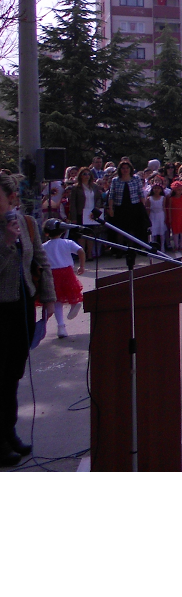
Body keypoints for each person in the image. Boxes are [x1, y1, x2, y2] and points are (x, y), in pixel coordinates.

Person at [1, 173, 54, 465]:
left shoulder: (25, 222)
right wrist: (6, 243)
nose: (10, 204)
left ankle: (8, 432)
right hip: (0, 308)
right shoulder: (6, 230)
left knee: (13, 373)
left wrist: (47, 296)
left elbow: (40, 261)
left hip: (22, 304)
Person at [41, 220, 85, 338]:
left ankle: (61, 327)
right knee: (71, 292)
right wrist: (82, 265)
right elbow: (81, 251)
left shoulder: (44, 246)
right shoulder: (67, 242)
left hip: (52, 273)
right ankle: (74, 304)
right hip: (67, 271)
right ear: (63, 231)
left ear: (46, 233)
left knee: (57, 300)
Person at [106, 161, 150, 265]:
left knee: (132, 229)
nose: (125, 170)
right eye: (123, 168)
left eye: (127, 168)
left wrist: (143, 206)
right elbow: (111, 195)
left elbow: (141, 193)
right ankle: (120, 250)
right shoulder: (115, 180)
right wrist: (111, 208)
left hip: (134, 207)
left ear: (130, 169)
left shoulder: (136, 179)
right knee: (120, 230)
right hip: (120, 207)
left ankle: (132, 249)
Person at [67, 168, 104, 259]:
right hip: (81, 213)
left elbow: (99, 198)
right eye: (84, 174)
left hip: (91, 214)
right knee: (82, 235)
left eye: (88, 174)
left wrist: (97, 208)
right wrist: (74, 217)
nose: (87, 176)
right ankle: (82, 254)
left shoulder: (94, 186)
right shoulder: (76, 187)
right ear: (80, 176)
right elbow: (73, 203)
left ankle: (90, 253)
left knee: (90, 234)